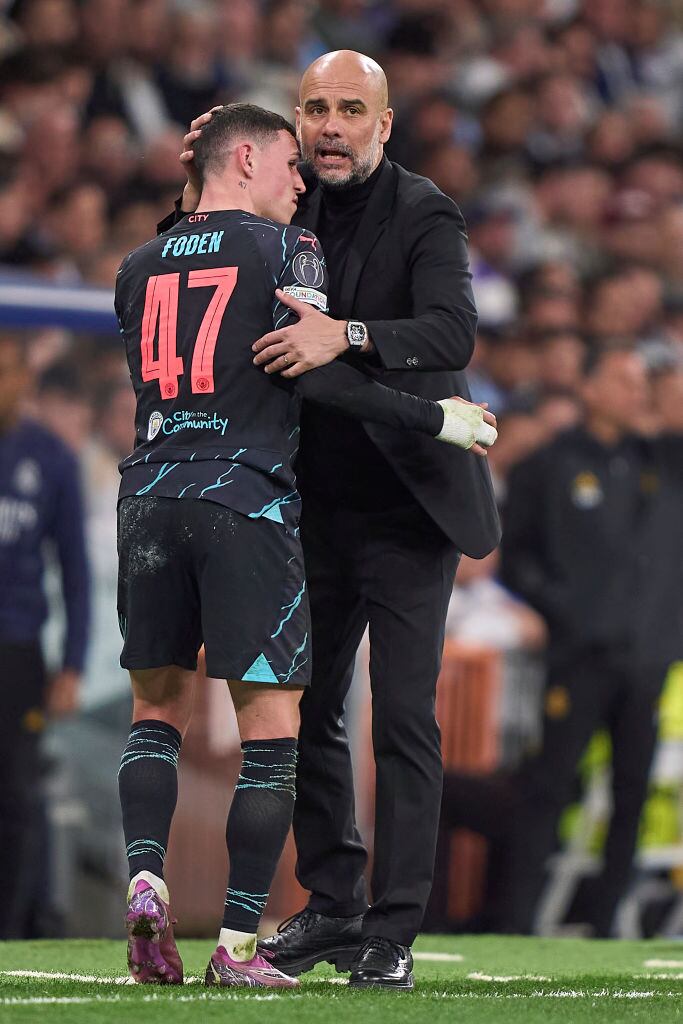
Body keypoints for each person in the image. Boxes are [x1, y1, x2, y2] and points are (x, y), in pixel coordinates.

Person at [116, 103, 496, 990]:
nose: (302, 171)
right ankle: (242, 944)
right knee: (279, 727)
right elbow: (312, 373)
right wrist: (437, 417)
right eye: (295, 144)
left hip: (148, 494)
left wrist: (195, 181)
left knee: (156, 713)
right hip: (250, 499)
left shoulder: (137, 263)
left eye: (342, 114)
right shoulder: (289, 246)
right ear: (250, 156)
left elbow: (192, 276)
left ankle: (147, 878)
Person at [442, 345, 683, 937]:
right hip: (576, 659)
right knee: (547, 787)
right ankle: (518, 924)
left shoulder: (659, 463)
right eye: (624, 381)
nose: (638, 393)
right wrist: (564, 612)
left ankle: (606, 928)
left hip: (644, 659)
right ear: (591, 388)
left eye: (642, 384)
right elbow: (515, 557)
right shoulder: (548, 466)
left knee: (632, 790)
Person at [0, 333, 90, 939]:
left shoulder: (50, 458)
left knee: (14, 799)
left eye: (7, 370)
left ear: (24, 379)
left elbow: (76, 572)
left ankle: (9, 932)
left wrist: (73, 666)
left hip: (17, 652)